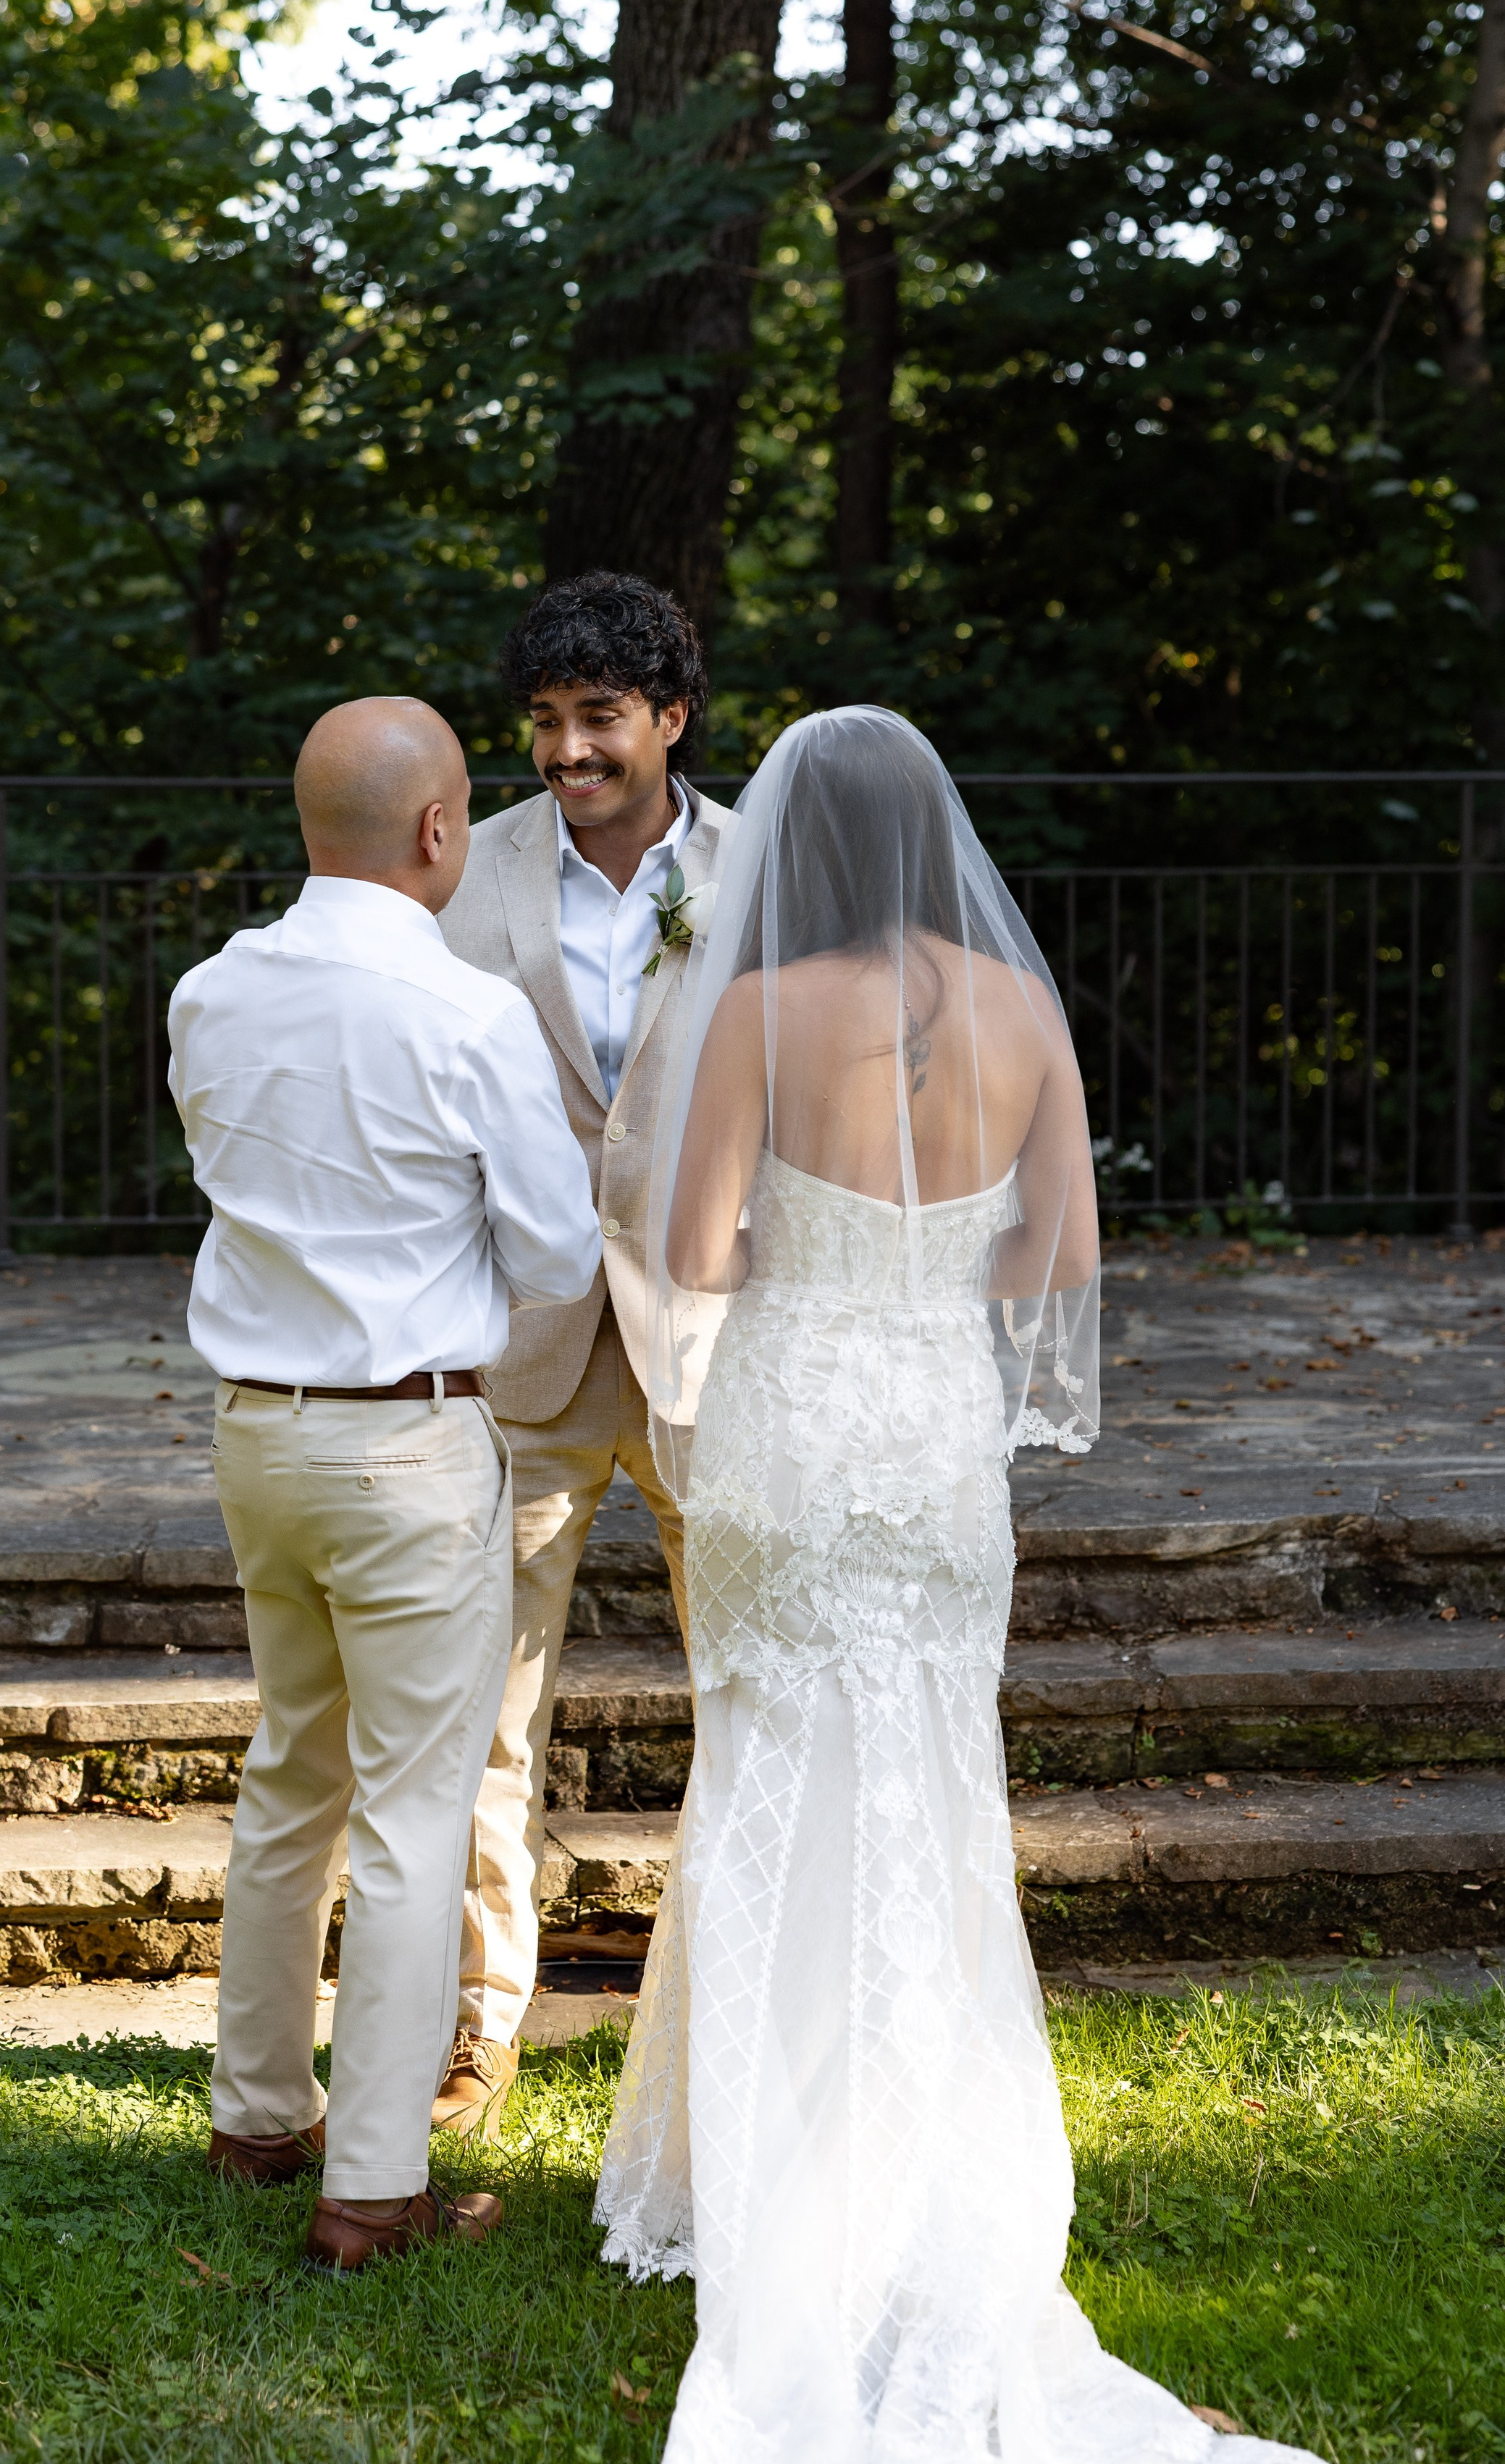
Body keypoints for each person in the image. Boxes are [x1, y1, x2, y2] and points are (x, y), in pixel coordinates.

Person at [594, 709, 1322, 2463]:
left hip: (788, 1427)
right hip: (928, 1437)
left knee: (768, 1774)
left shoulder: (763, 1009)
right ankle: (919, 2162)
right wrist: (921, 1270)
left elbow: (692, 1252)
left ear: (797, 843)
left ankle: (763, 2174)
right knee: (927, 1785)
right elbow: (1058, 1246)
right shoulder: (1015, 1007)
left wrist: (796, 1250)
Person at [167, 695, 600, 2272]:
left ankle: (253, 2114)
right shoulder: (469, 1015)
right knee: (416, 1813)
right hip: (409, 1440)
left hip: (256, 1434)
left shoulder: (208, 992)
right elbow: (555, 1252)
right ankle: (373, 2181)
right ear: (439, 833)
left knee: (292, 1768)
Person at [433, 569, 737, 2135]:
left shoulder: (763, 867)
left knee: (747, 1695)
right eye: (544, 721)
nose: (565, 750)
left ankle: (731, 2025)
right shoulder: (464, 873)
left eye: (597, 718)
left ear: (668, 719)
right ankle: (472, 2028)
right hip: (522, 1346)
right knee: (486, 1705)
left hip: (718, 1341)